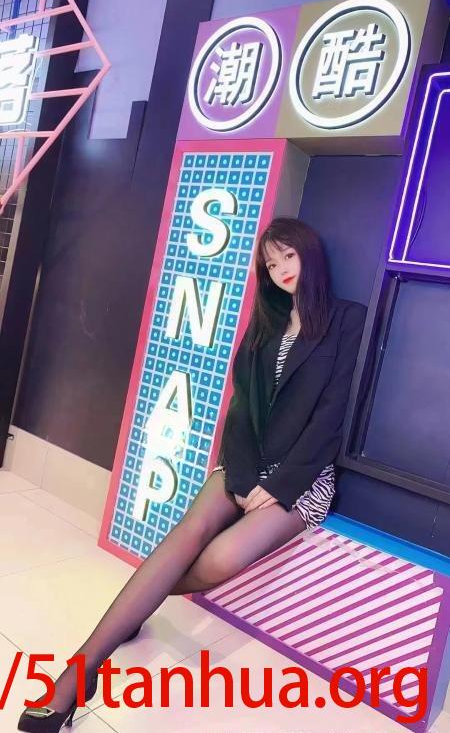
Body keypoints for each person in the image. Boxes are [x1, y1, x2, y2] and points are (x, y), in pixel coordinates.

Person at [17, 216, 367, 731]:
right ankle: (77, 674)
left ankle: (128, 615)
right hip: (245, 460)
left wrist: (278, 485)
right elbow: (242, 408)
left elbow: (330, 419)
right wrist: (245, 476)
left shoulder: (347, 319)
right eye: (271, 263)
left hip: (303, 477)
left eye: (288, 256)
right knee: (187, 533)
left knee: (220, 558)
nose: (281, 270)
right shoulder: (266, 320)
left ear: (309, 254)